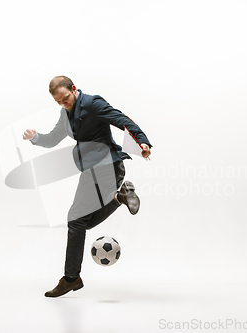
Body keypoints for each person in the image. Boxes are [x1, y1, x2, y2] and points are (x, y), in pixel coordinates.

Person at [22, 76, 152, 297]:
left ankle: (71, 278)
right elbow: (53, 139)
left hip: (108, 166)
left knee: (76, 220)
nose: (64, 104)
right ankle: (120, 198)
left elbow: (121, 119)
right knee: (80, 223)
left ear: (74, 89)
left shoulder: (92, 103)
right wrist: (35, 138)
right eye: (59, 102)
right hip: (92, 170)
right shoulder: (66, 114)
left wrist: (142, 141)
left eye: (65, 99)